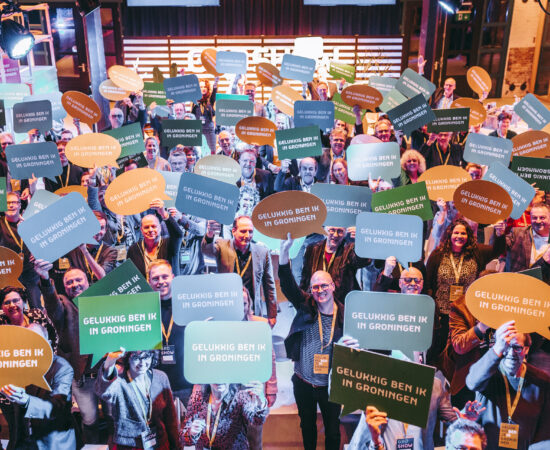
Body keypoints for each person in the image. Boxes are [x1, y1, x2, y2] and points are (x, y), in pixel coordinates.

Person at [278, 234, 344, 450]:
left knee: (333, 431)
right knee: (307, 427)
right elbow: (288, 285)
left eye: (324, 286)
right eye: (315, 287)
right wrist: (285, 253)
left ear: (333, 286)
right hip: (303, 381)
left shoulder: (344, 315)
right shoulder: (306, 304)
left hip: (331, 387)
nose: (319, 291)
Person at [34, 261, 107, 444]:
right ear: (64, 287)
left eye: (78, 280)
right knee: (90, 421)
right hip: (82, 378)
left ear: (88, 282)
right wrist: (44, 278)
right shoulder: (61, 303)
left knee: (114, 417)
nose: (75, 285)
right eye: (69, 282)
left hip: (108, 373)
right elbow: (51, 304)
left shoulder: (102, 301)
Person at [425, 219, 505, 359]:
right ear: (449, 235)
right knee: (438, 352)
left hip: (465, 313)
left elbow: (497, 250)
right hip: (442, 314)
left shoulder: (476, 252)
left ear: (468, 236)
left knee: (461, 353)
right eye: (456, 233)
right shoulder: (437, 254)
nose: (459, 236)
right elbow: (428, 284)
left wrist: (499, 234)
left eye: (463, 233)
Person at [466, 321, 550, 449]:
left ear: (526, 349)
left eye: (517, 347)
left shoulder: (542, 381)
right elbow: (471, 382)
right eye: (506, 346)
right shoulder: (488, 372)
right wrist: (497, 349)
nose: (511, 353)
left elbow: (545, 429)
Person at [0, 323, 76, 450]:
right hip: (24, 441)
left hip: (52, 443)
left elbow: (58, 406)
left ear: (48, 343)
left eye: (37, 340)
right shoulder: (20, 364)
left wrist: (26, 400)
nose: (32, 345)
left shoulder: (62, 367)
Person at [95, 349, 181, 450]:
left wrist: (176, 446)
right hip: (129, 446)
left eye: (146, 356)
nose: (142, 363)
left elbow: (170, 418)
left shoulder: (160, 377)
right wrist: (109, 362)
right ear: (127, 358)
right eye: (136, 357)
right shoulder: (119, 381)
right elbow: (103, 391)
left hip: (160, 443)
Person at [201, 216, 277, 325]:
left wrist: (272, 315)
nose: (247, 236)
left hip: (252, 312)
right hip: (227, 311)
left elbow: (269, 286)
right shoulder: (222, 245)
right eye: (243, 231)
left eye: (250, 232)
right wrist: (209, 234)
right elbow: (206, 251)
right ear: (233, 231)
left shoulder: (262, 252)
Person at [148, 260, 194, 411]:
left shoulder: (189, 305)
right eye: (155, 278)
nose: (161, 282)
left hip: (187, 386)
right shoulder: (143, 310)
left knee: (189, 432)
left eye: (164, 277)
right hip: (156, 388)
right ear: (149, 281)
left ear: (173, 277)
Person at [181, 382, 268, 449]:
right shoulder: (198, 397)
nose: (219, 380)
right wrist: (192, 432)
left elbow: (257, 420)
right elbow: (184, 438)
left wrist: (261, 401)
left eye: (223, 375)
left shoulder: (240, 397)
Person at [299, 225, 370, 305]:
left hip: (341, 304)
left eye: (340, 231)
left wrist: (360, 243)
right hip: (318, 302)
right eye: (332, 230)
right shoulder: (312, 249)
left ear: (345, 233)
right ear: (324, 231)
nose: (335, 235)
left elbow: (362, 261)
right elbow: (305, 279)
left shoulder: (349, 249)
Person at [0, 191, 42, 307]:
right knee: (10, 309)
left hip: (30, 272)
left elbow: (42, 243)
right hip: (10, 274)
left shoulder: (30, 223)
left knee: (36, 308)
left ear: (19, 205)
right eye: (8, 203)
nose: (11, 205)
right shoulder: (1, 224)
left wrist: (37, 251)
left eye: (14, 202)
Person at [127, 200, 183, 277]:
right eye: (146, 227)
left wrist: (163, 214)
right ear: (141, 230)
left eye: (154, 226)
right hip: (147, 288)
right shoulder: (133, 249)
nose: (150, 230)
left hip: (169, 288)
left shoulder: (169, 244)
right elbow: (131, 275)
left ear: (160, 227)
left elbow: (178, 235)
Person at [504, 202, 550, 278]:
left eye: (542, 217)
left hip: (544, 286)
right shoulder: (517, 233)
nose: (538, 221)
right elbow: (498, 249)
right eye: (534, 218)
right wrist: (498, 233)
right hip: (516, 283)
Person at [192, 77, 219, 154]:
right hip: (199, 130)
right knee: (199, 152)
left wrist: (215, 83)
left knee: (212, 151)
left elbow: (214, 93)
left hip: (209, 130)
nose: (203, 88)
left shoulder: (210, 100)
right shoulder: (194, 101)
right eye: (201, 87)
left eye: (205, 87)